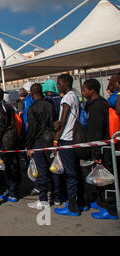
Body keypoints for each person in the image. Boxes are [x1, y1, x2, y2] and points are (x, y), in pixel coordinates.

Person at [81, 79, 118, 219]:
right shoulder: (100, 103)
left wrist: (95, 152)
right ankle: (102, 202)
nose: (83, 92)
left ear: (93, 91)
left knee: (105, 178)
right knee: (100, 177)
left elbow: (96, 131)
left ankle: (111, 208)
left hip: (102, 148)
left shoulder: (97, 106)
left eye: (84, 90)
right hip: (103, 146)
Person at [26, 84, 60, 209]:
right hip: (50, 139)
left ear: (31, 93)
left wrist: (29, 146)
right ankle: (56, 197)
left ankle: (43, 199)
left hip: (39, 141)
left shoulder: (32, 108)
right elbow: (55, 123)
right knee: (53, 169)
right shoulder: (50, 105)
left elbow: (32, 129)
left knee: (42, 171)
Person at [53, 73, 83, 216]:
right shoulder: (74, 96)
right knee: (73, 172)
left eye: (59, 83)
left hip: (67, 138)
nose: (58, 86)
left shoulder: (67, 98)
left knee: (70, 174)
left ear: (65, 83)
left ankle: (72, 206)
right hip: (71, 139)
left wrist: (56, 139)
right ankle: (74, 202)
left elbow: (63, 120)